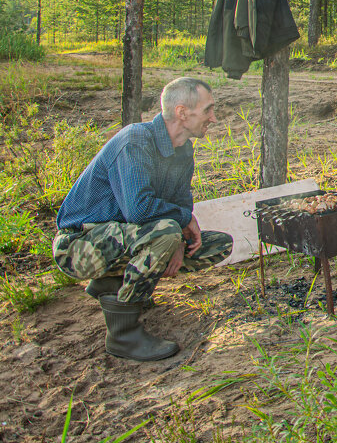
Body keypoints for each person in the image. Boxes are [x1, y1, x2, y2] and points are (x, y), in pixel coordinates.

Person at [53, 77, 233, 361]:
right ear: (182, 112)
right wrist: (177, 226)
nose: (214, 117)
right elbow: (138, 210)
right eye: (208, 110)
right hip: (78, 246)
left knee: (216, 244)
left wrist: (177, 235)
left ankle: (110, 282)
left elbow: (180, 203)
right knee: (165, 232)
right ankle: (124, 335)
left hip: (125, 237)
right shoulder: (135, 140)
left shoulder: (183, 151)